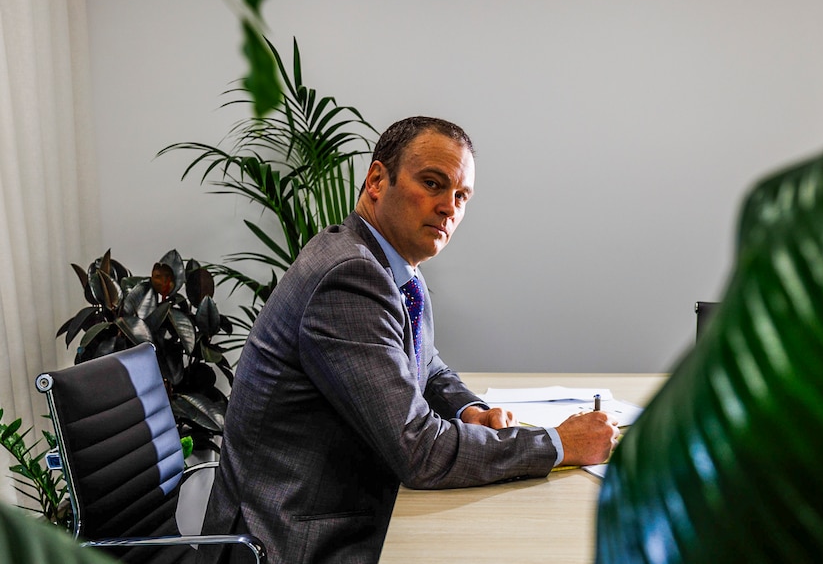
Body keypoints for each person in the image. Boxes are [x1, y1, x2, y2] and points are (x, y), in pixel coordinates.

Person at [198, 116, 620, 564]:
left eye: (461, 196)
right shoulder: (349, 276)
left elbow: (426, 363)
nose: (449, 207)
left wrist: (468, 409)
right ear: (377, 179)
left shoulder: (389, 265)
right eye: (434, 184)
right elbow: (418, 449)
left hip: (340, 510)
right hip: (293, 541)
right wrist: (557, 445)